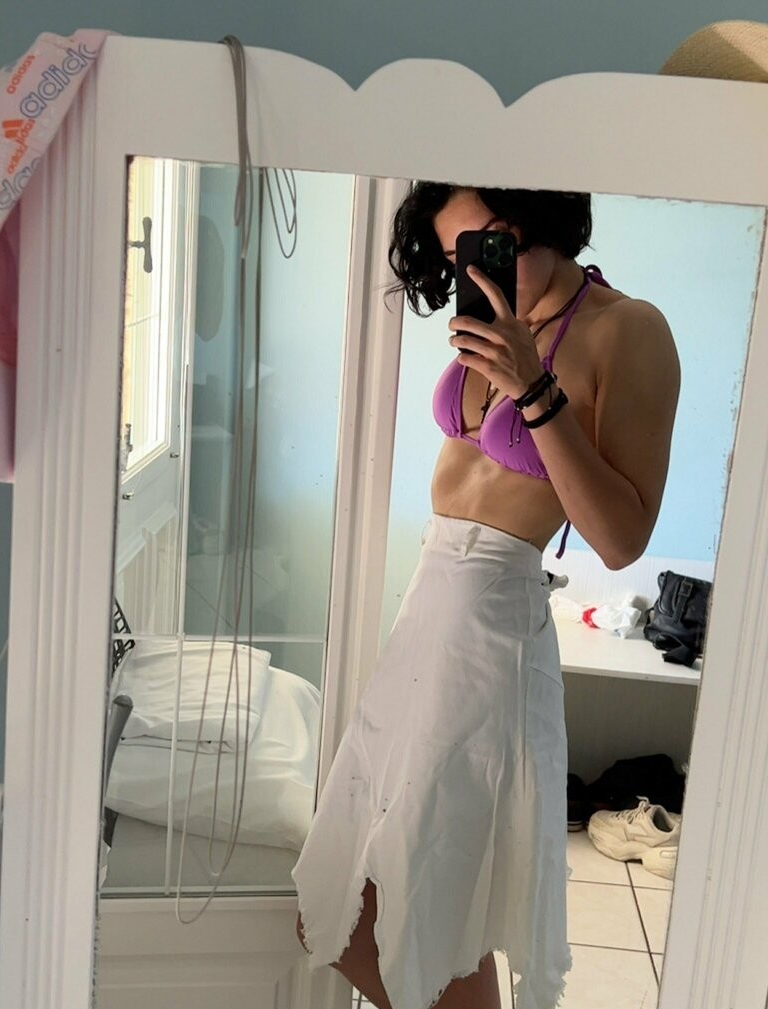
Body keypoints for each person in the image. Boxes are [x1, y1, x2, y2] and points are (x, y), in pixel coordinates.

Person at [290, 182, 681, 1009]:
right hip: (425, 621)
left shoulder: (629, 330)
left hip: (492, 638)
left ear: (539, 215)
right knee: (349, 908)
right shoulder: (499, 319)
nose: (474, 270)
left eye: (491, 241)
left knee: (436, 911)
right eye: (456, 254)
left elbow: (621, 536)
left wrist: (534, 390)